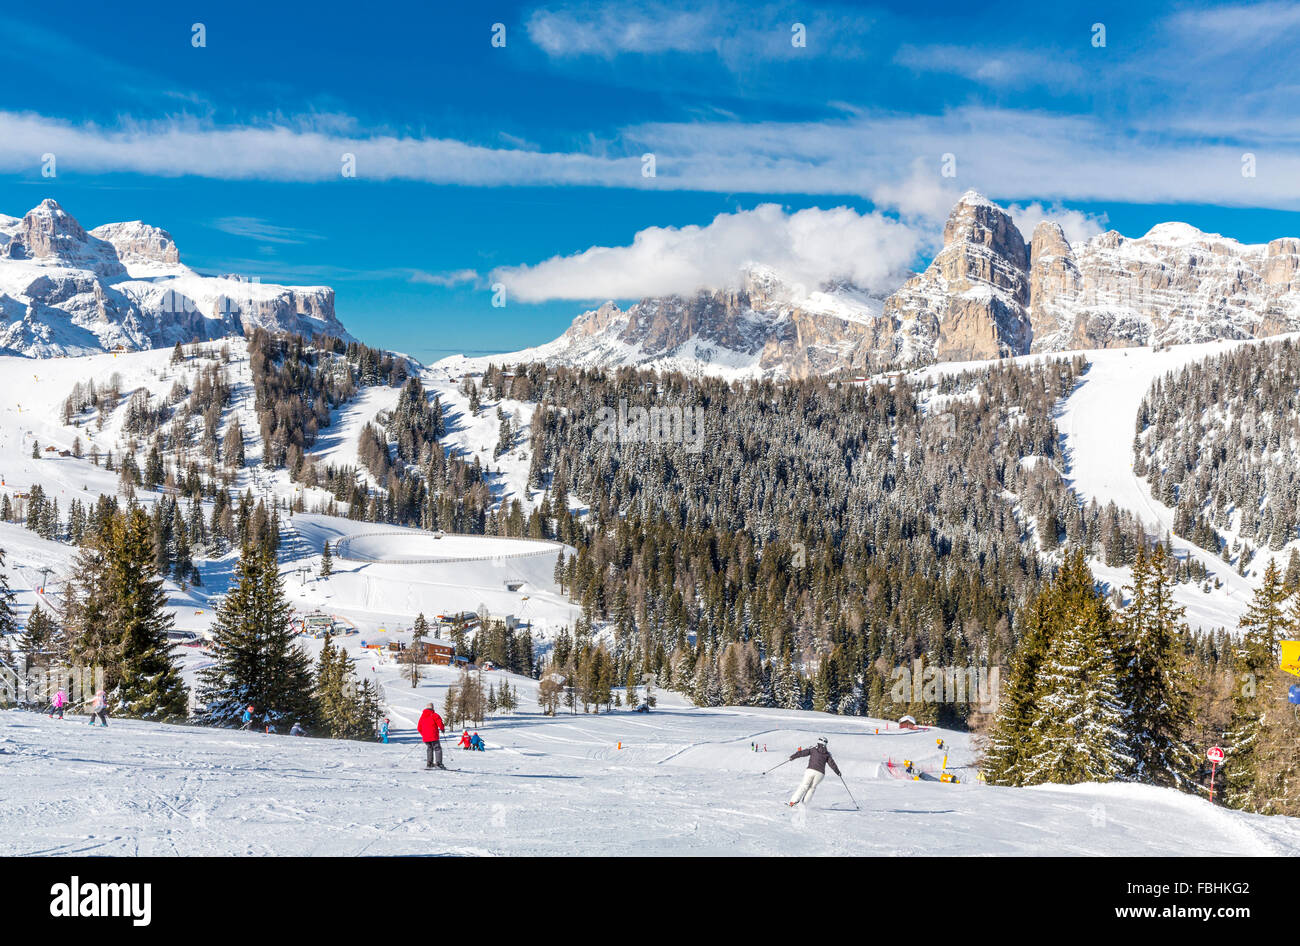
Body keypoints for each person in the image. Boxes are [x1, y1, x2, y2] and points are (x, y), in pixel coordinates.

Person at [787, 736, 841, 807]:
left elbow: (802, 753)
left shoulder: (813, 749)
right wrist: (838, 772)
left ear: (818, 742)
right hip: (820, 774)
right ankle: (804, 805)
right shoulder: (827, 754)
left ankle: (793, 802)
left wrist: (792, 757)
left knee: (804, 786)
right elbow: (832, 764)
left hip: (810, 770)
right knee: (812, 788)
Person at [417, 702, 446, 769]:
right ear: (432, 708)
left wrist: (424, 734)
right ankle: (439, 764)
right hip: (433, 736)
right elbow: (440, 723)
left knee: (429, 749)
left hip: (426, 738)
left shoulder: (422, 716)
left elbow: (419, 728)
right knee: (437, 748)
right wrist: (442, 729)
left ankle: (429, 763)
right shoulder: (434, 715)